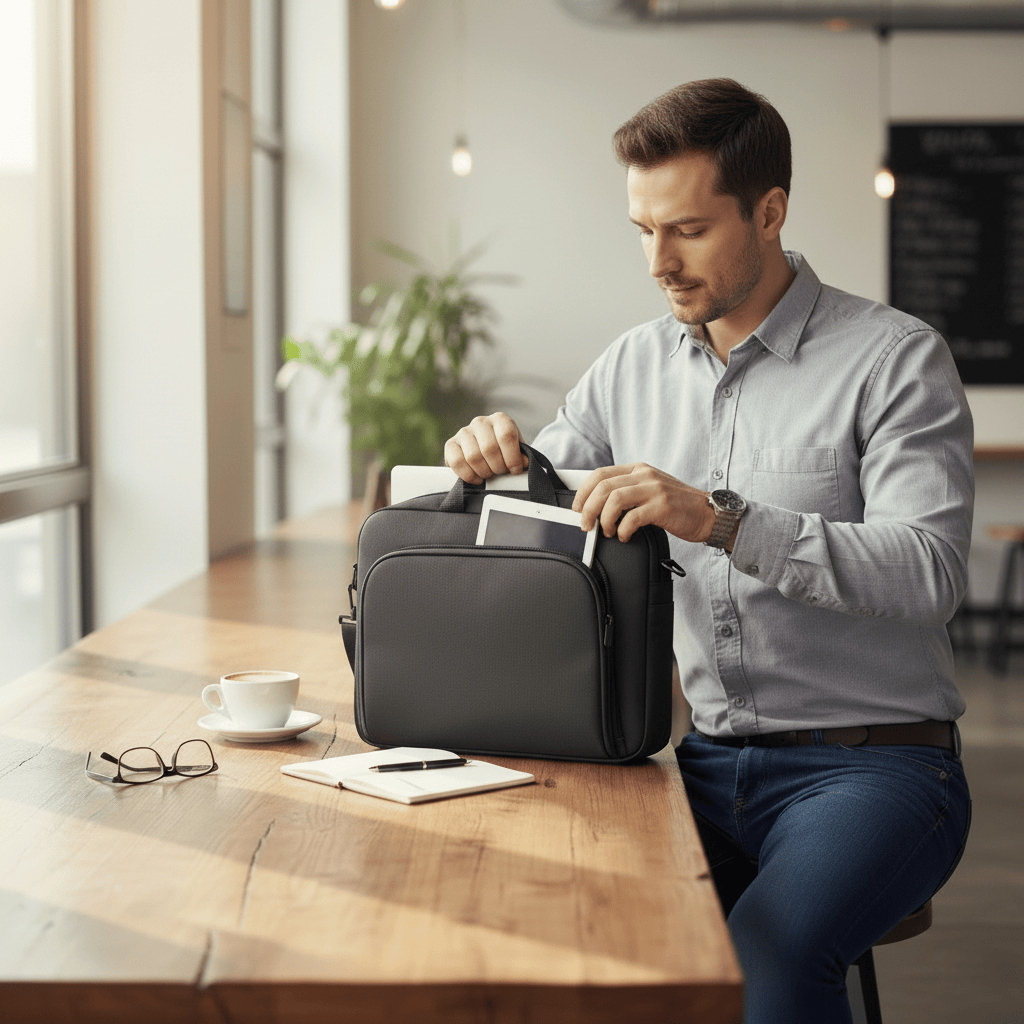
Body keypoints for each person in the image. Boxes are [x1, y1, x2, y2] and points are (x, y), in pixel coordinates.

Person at [444, 78, 973, 1024]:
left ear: (769, 212)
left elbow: (929, 572)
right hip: (691, 761)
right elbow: (548, 502)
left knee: (770, 964)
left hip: (875, 768)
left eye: (687, 229)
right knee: (560, 935)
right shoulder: (630, 365)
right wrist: (498, 458)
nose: (658, 260)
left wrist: (721, 519)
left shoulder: (896, 359)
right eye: (643, 230)